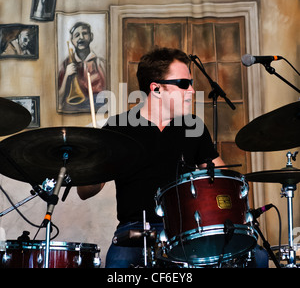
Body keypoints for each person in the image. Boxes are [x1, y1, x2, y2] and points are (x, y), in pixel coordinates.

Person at [77, 47, 268, 268]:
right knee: (119, 263)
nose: (192, 90)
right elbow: (84, 192)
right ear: (156, 88)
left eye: (192, 82)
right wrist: (94, 164)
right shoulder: (118, 127)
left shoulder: (193, 126)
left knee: (258, 257)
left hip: (187, 228)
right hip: (137, 230)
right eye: (184, 84)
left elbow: (223, 179)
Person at [58, 22, 106, 113]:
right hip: (73, 114)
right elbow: (59, 99)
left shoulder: (101, 63)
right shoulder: (65, 64)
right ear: (72, 40)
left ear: (91, 37)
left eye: (84, 33)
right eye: (77, 35)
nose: (81, 38)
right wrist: (67, 75)